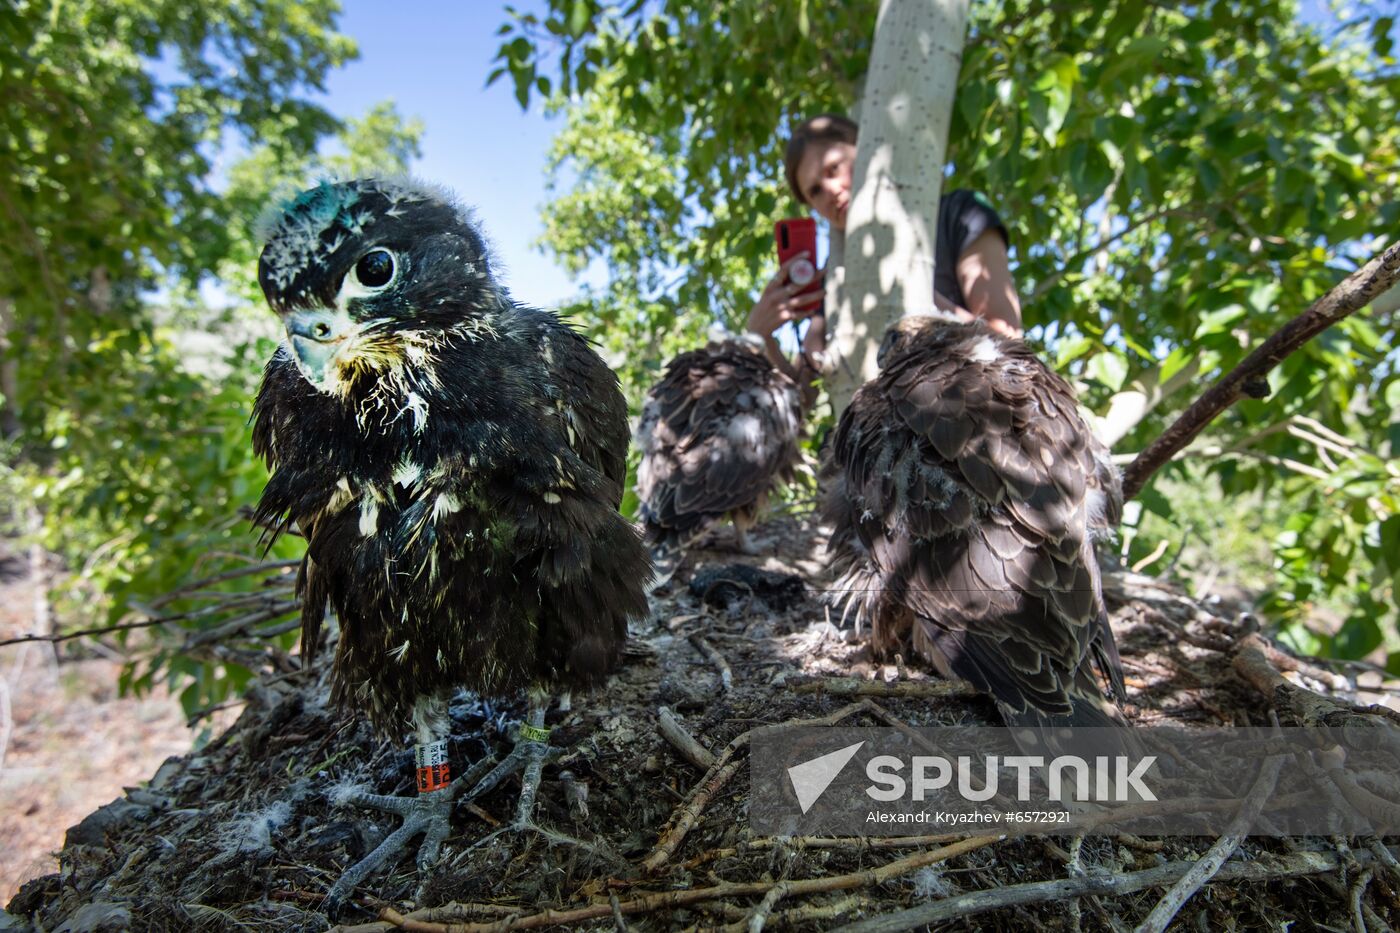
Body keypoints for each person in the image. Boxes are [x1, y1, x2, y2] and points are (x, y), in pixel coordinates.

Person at [747, 113, 1023, 393]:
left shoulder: (960, 212)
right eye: (815, 191)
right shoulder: (835, 272)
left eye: (834, 168)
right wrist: (762, 337)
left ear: (866, 149)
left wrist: (921, 300)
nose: (830, 190)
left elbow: (1010, 344)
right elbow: (803, 396)